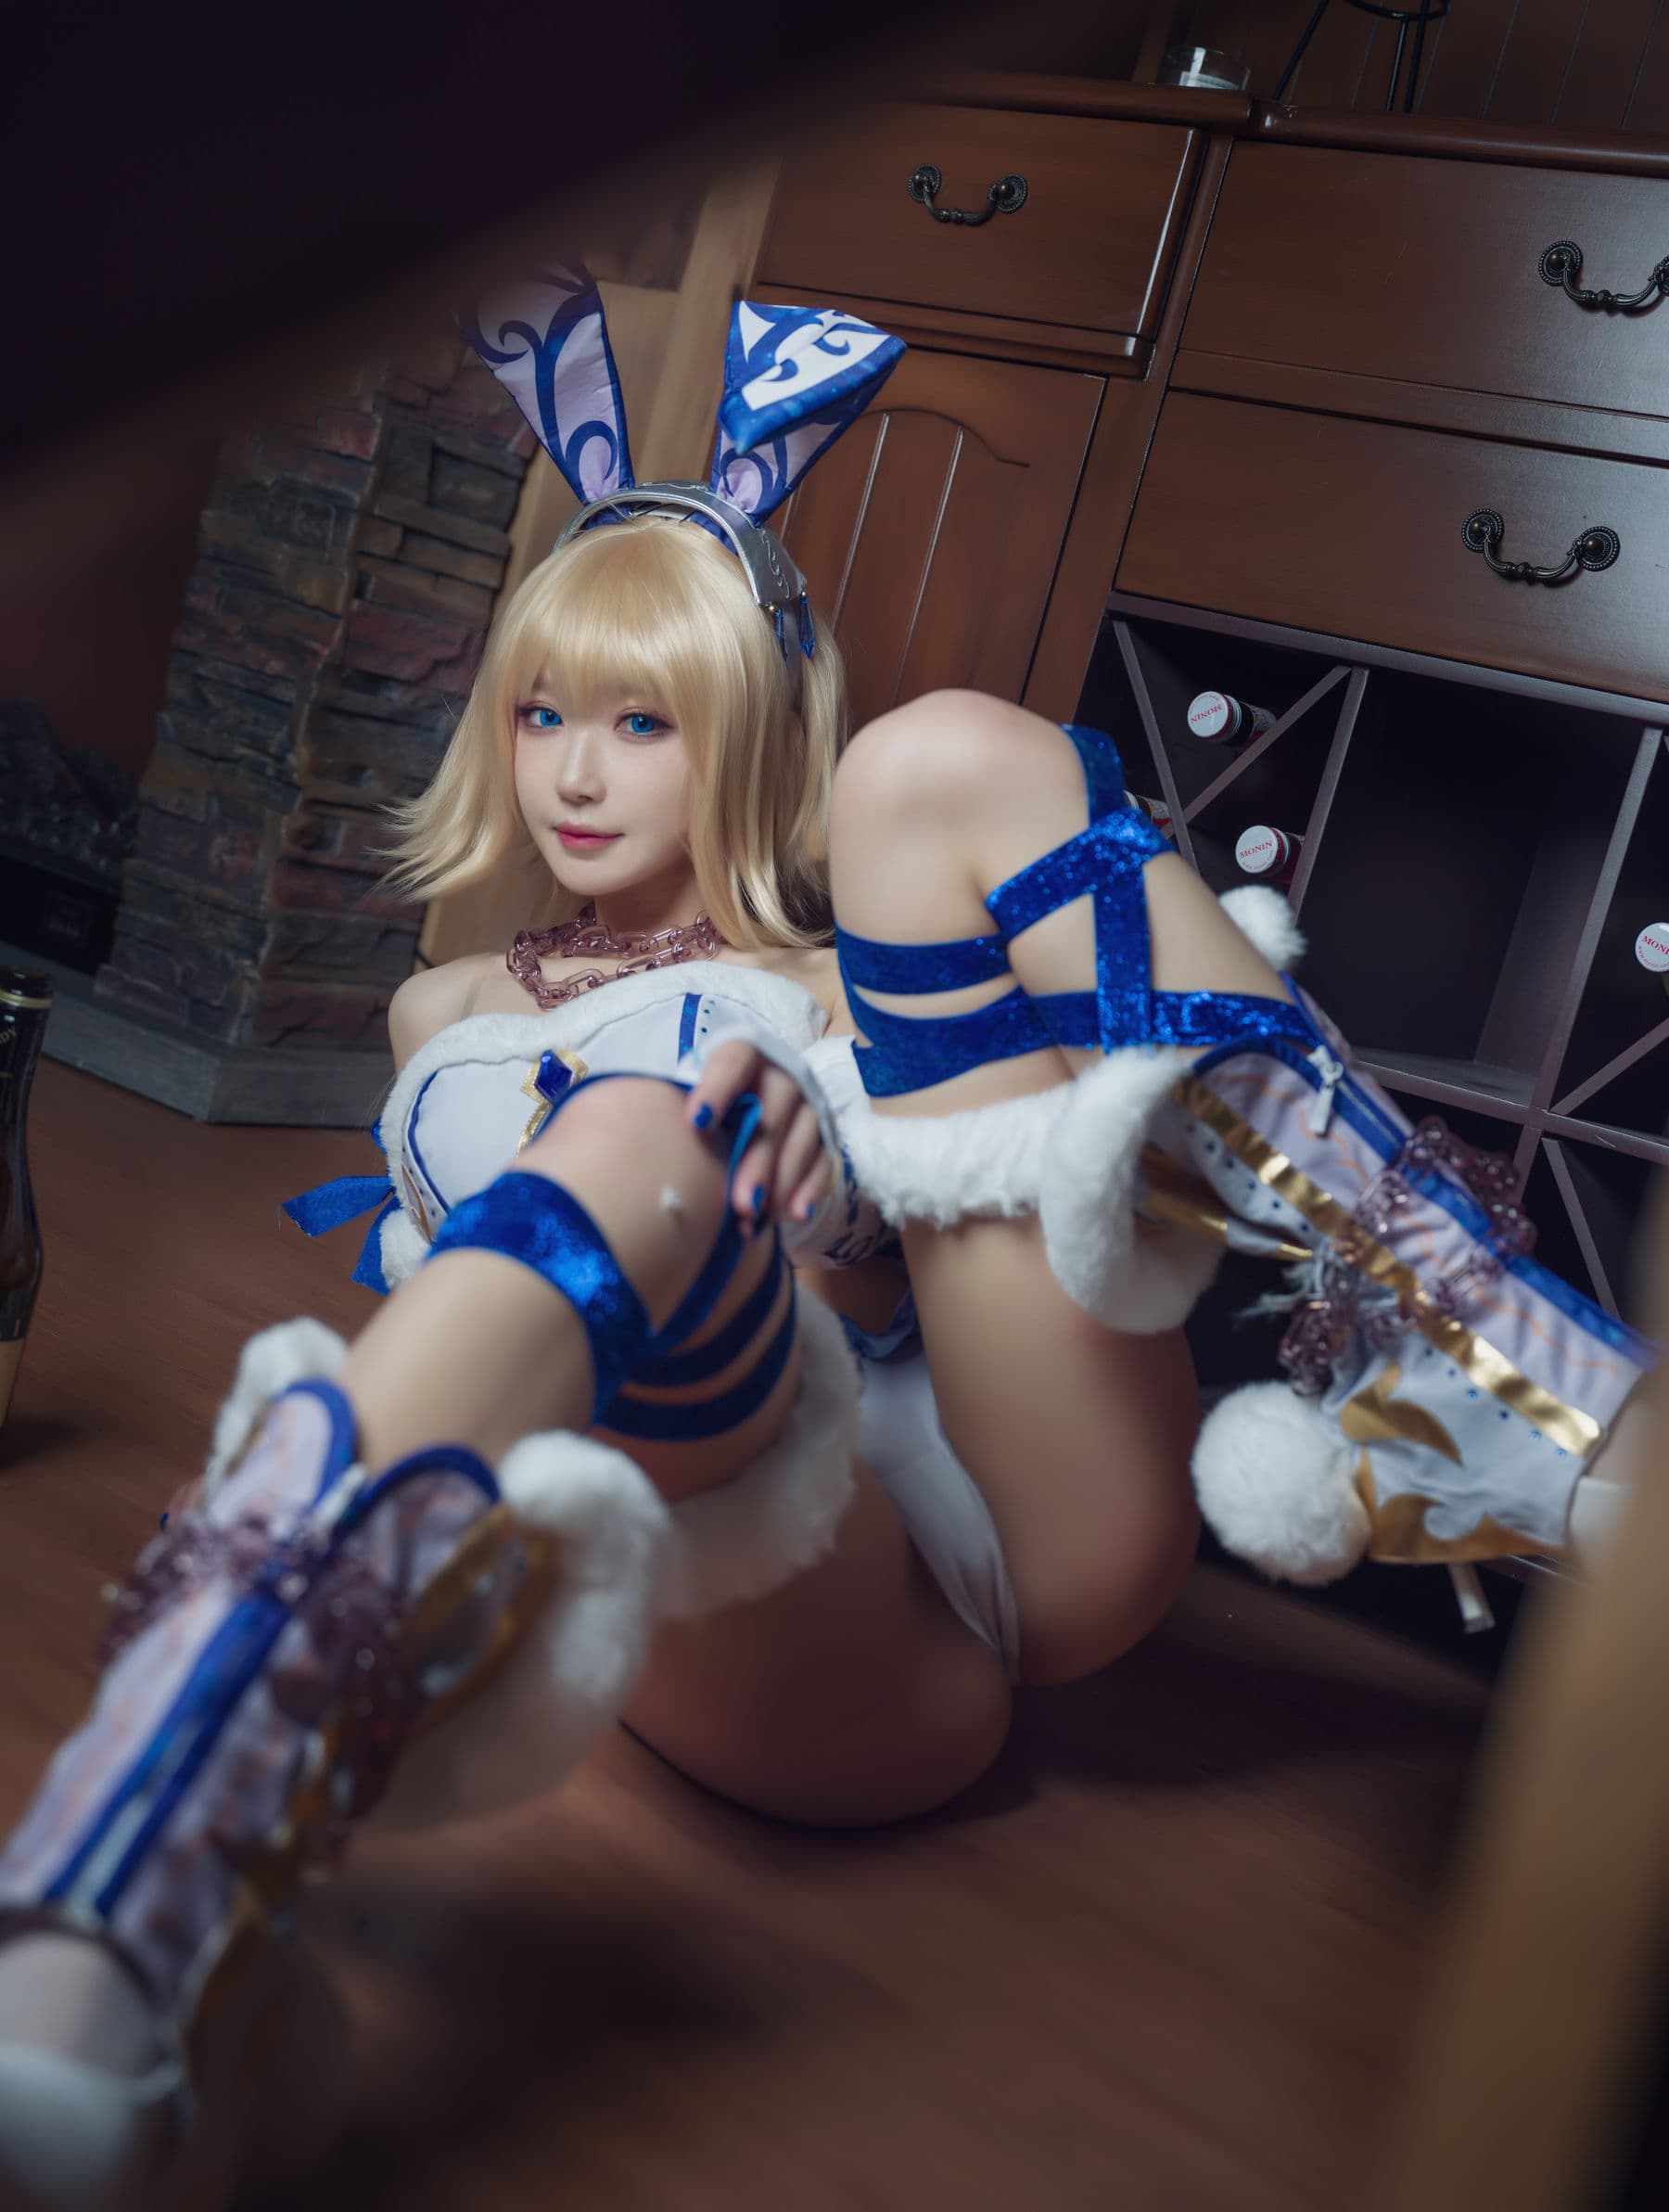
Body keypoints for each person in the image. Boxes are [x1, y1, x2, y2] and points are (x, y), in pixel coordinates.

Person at [0, 265, 1651, 2210]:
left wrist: (831, 1175)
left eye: (645, 720)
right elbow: (511, 1344)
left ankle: (1492, 1371)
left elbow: (910, 1275)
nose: (579, 770)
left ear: (743, 733)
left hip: (1020, 1503)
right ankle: (135, 1882)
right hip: (782, 1594)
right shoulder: (441, 1009)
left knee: (937, 760)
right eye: (543, 714)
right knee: (631, 1134)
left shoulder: (834, 967)